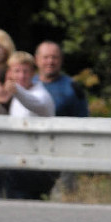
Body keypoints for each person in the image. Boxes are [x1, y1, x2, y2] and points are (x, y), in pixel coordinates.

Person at [0, 51, 58, 200]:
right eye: (17, 71)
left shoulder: (41, 94)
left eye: (26, 71)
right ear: (10, 73)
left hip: (39, 165)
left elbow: (35, 103)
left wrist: (17, 91)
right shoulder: (17, 95)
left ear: (33, 73)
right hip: (20, 162)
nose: (22, 76)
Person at [34, 40, 87, 196]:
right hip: (33, 149)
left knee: (64, 197)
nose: (50, 62)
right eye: (46, 57)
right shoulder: (27, 84)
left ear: (61, 60)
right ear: (37, 60)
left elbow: (83, 121)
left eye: (54, 57)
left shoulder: (73, 87)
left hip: (64, 151)